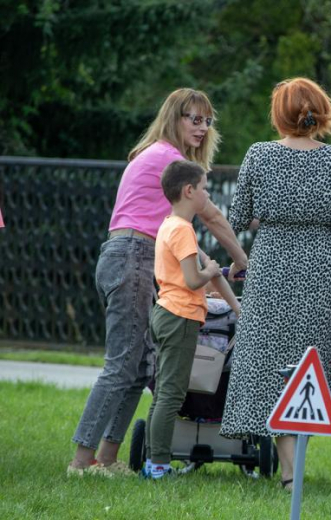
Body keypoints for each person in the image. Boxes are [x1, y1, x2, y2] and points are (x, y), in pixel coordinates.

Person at [68, 88, 248, 477]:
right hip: (131, 258)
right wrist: (240, 260)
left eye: (206, 121)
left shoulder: (153, 155)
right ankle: (81, 462)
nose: (201, 128)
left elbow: (185, 240)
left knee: (138, 368)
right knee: (121, 366)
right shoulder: (170, 159)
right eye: (192, 118)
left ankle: (108, 459)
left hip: (131, 258)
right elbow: (212, 216)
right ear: (173, 117)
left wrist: (215, 270)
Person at [219, 77, 331, 491]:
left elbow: (239, 214)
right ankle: (291, 464)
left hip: (270, 266)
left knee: (269, 362)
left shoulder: (259, 155)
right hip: (320, 270)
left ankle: (288, 468)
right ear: (319, 112)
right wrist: (328, 226)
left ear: (279, 114)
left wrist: (272, 225)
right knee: (308, 362)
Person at [143, 161, 240, 479]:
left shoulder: (170, 224)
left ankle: (151, 461)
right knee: (172, 393)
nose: (207, 194)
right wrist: (211, 272)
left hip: (167, 312)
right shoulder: (183, 229)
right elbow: (193, 279)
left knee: (164, 392)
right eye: (204, 188)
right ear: (188, 191)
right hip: (180, 316)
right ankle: (157, 465)